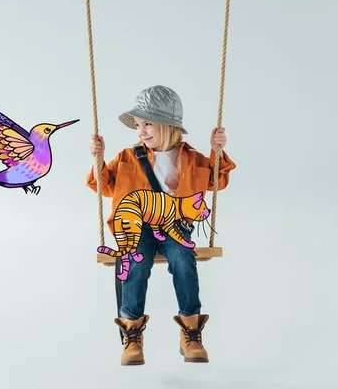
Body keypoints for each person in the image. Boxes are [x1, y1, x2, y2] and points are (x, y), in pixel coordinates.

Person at [86, 85, 236, 366]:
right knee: (136, 260)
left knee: (182, 257)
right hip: (137, 226)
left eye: (147, 124)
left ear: (168, 126)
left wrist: (218, 149)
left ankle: (191, 331)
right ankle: (132, 333)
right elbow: (103, 186)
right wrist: (99, 157)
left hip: (175, 225)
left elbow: (218, 181)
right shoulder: (128, 157)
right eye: (138, 125)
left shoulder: (191, 159)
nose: (140, 131)